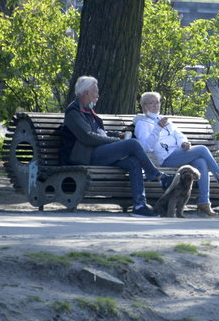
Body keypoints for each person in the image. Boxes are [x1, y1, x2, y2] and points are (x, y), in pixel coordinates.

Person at [61, 76, 162, 217]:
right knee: (132, 144)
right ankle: (156, 175)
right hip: (86, 156)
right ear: (86, 93)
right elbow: (88, 137)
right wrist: (116, 141)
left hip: (98, 152)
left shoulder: (88, 111)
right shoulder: (73, 112)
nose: (98, 96)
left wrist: (116, 135)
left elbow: (100, 133)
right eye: (95, 93)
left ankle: (139, 205)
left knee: (133, 162)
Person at [133, 91, 219, 217]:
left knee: (201, 162)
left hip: (179, 153)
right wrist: (157, 128)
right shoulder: (142, 124)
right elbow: (146, 146)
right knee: (201, 149)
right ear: (144, 106)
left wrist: (184, 143)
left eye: (157, 102)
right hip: (165, 158)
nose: (155, 105)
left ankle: (204, 202)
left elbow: (179, 135)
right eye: (151, 103)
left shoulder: (164, 120)